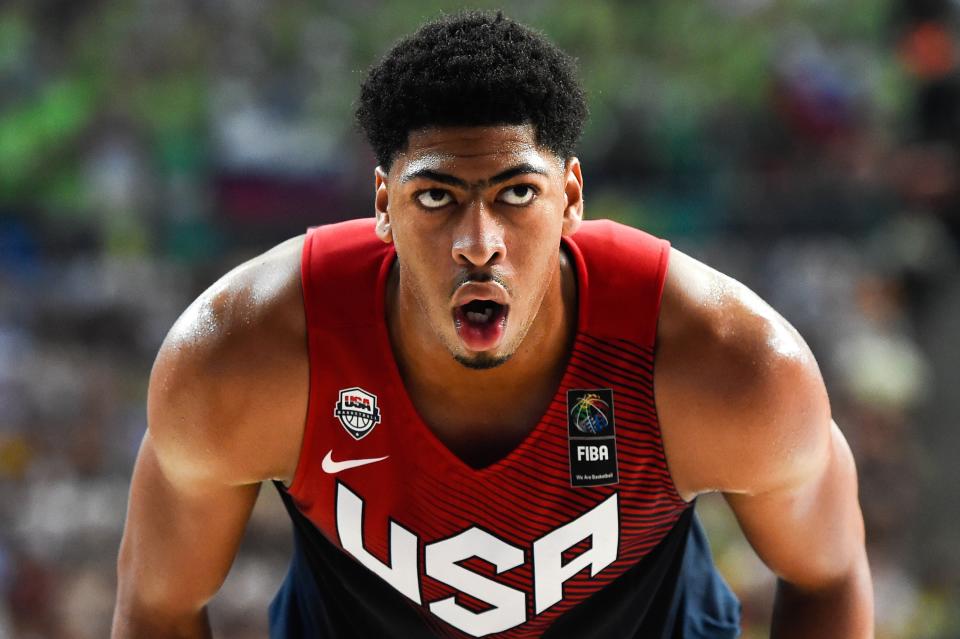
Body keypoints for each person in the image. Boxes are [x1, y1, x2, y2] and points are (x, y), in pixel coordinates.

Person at [111, 11, 873, 639]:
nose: (479, 241)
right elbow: (158, 604)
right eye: (437, 197)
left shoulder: (725, 362)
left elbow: (828, 574)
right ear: (382, 205)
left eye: (515, 193)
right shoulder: (245, 355)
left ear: (571, 196)